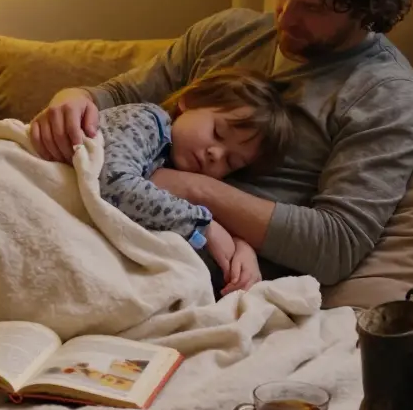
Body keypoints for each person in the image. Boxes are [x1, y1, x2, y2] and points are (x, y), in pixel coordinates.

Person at [29, 0, 413, 286]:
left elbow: (336, 245)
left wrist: (193, 189)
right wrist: (74, 97)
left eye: (313, 8)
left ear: (366, 10)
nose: (285, 19)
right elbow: (119, 96)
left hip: (192, 267)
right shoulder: (226, 33)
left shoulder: (386, 96)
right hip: (105, 215)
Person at [96, 67, 293, 294]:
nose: (216, 154)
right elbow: (114, 185)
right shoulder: (147, 121)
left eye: (230, 161)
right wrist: (202, 226)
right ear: (189, 101)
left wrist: (241, 246)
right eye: (217, 133)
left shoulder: (172, 165)